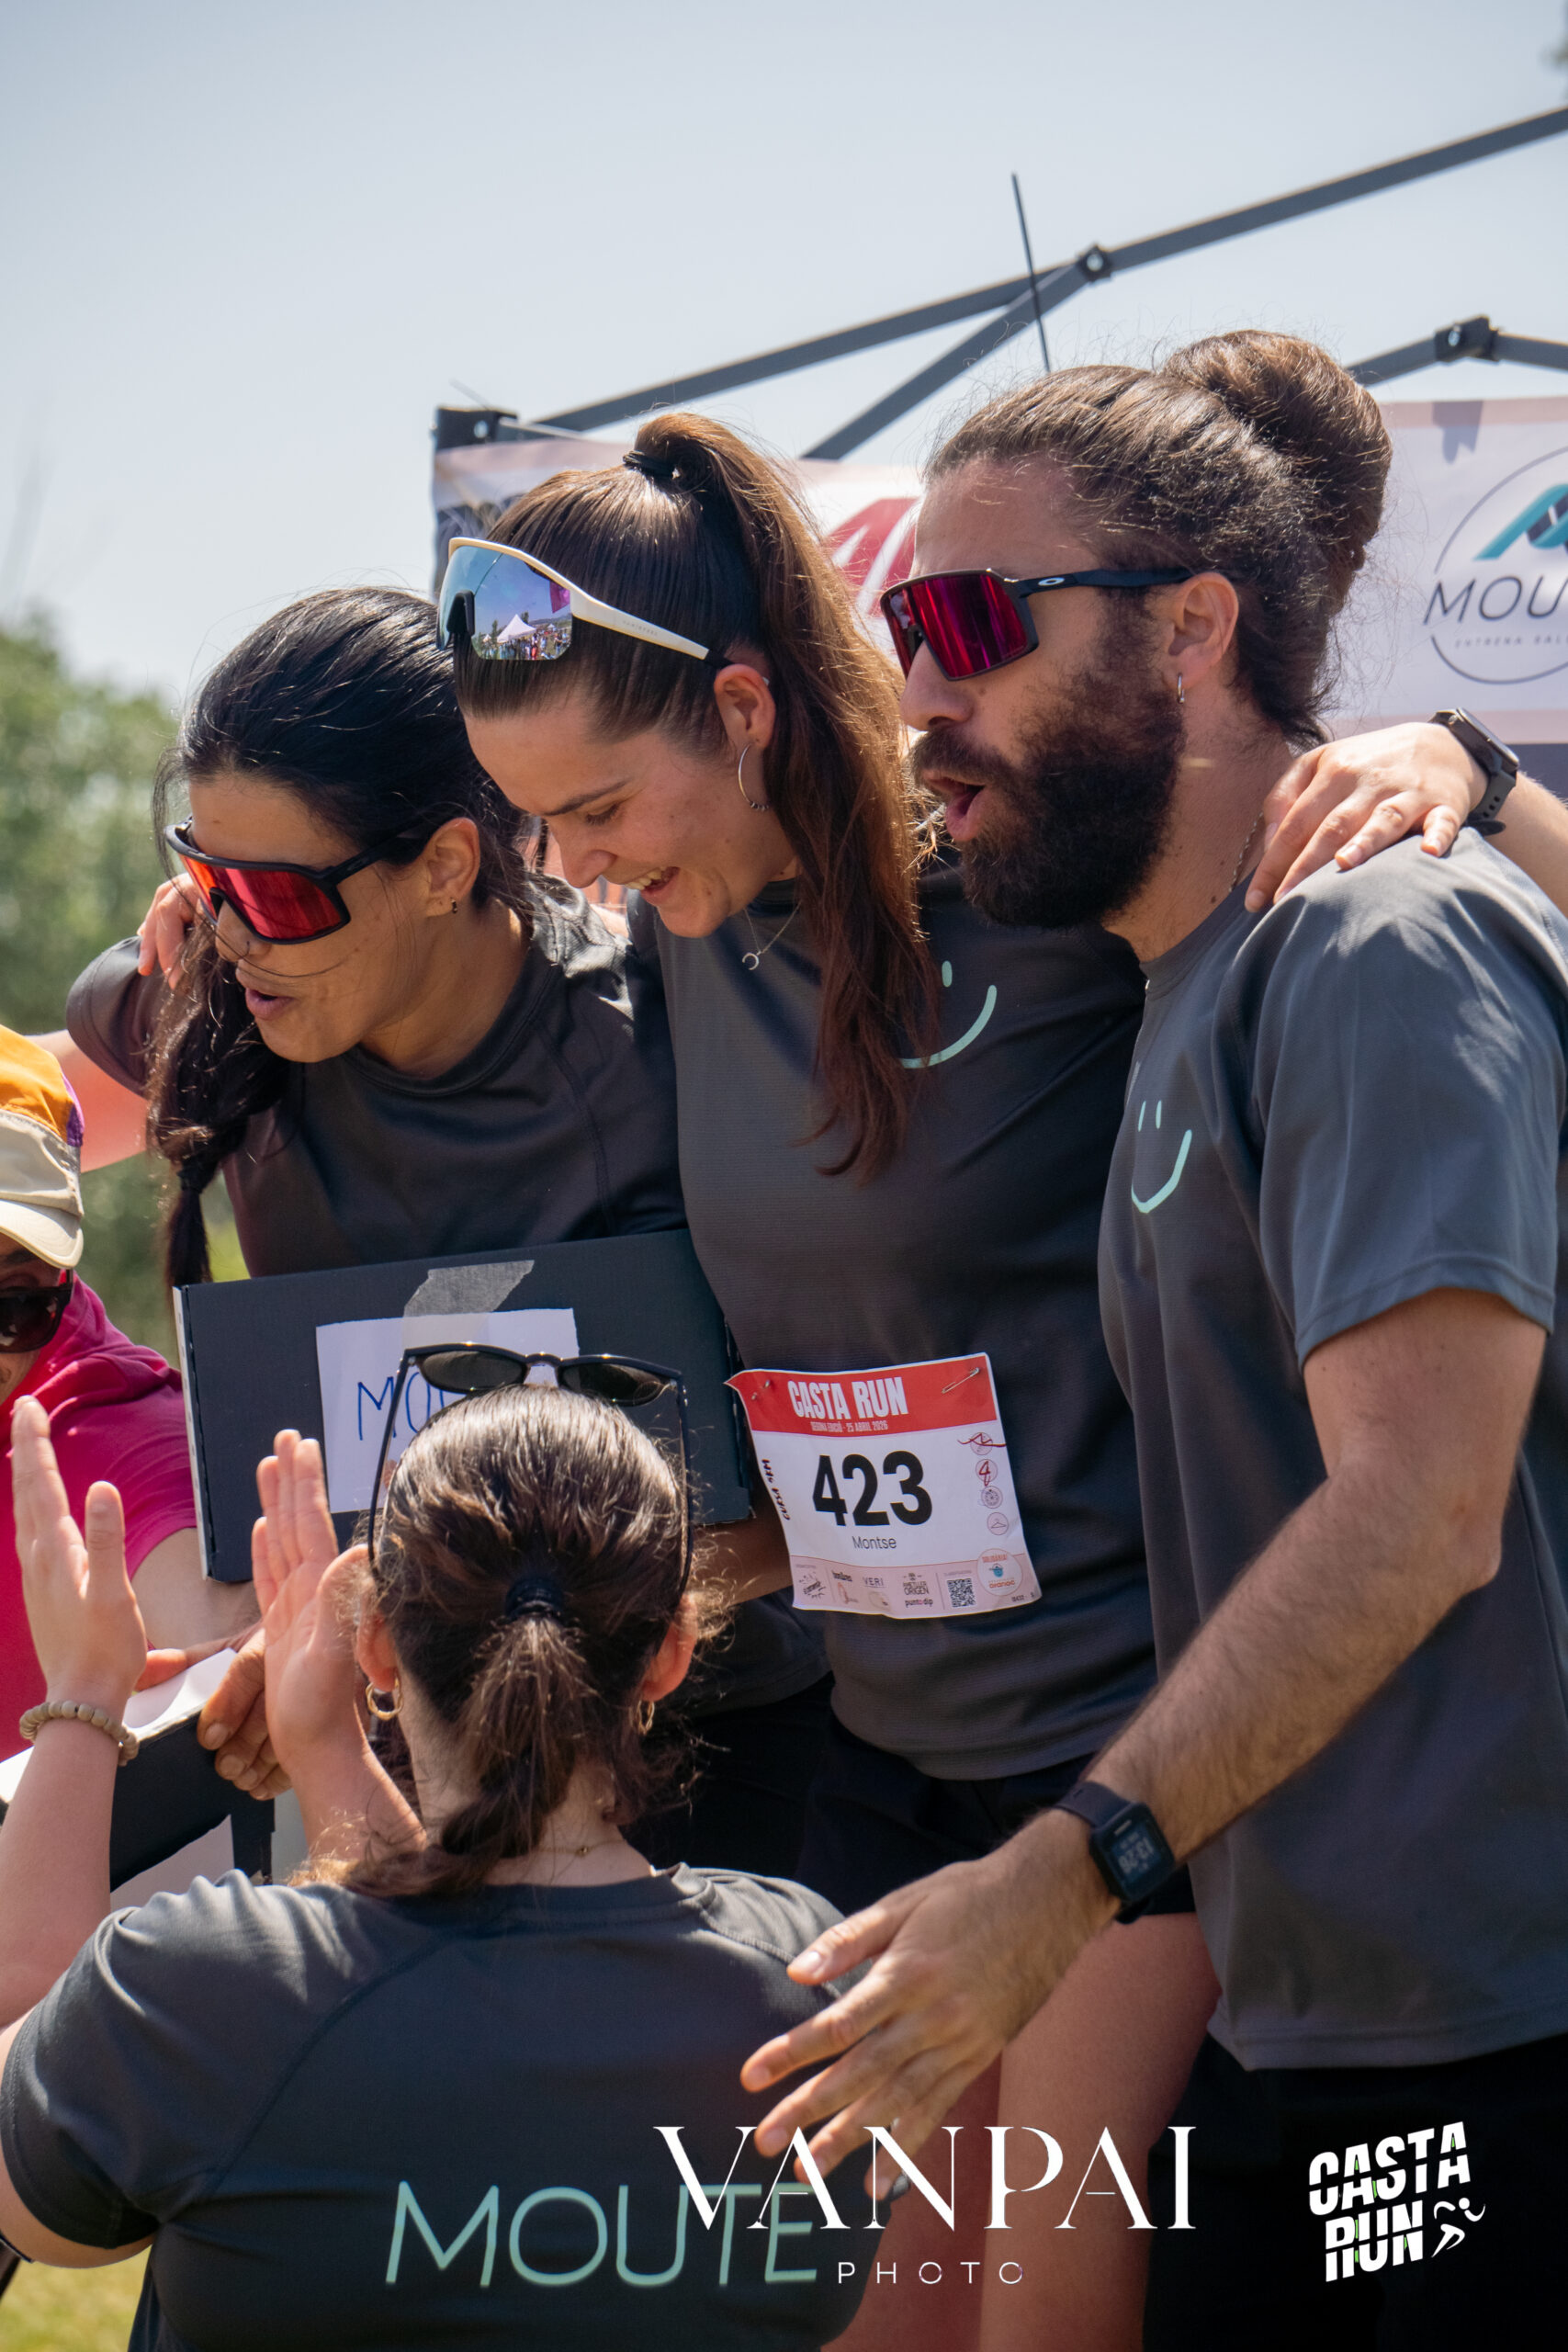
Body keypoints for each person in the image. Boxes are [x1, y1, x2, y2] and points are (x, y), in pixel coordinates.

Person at [436, 411, 1488, 2351]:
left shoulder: (1041, 891)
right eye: (531, 827)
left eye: (595, 808)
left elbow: (1411, 921)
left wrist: (1476, 770)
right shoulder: (673, 945)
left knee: (1041, 2320)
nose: (569, 866)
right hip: (886, 1756)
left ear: (740, 710)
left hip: (1132, 1765)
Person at [736, 334, 1568, 2347]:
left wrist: (1059, 1872)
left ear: (1192, 629)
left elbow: (1421, 1505)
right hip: (1321, 2016)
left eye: (968, 626)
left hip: (1501, 2036)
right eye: (902, 631)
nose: (920, 697)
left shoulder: (1368, 942)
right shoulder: (1179, 984)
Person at [52, 585, 828, 1859]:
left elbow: (804, 1505)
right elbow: (46, 1100)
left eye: (277, 896)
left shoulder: (665, 1051)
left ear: (447, 867)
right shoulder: (212, 999)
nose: (234, 936)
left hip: (701, 1757)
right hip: (400, 1757)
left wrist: (394, 1608)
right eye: (206, 875)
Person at [0, 1377, 870, 2347]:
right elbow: (474, 2013)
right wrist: (327, 1758)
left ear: (376, 1643)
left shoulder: (204, 1993)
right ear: (669, 1655)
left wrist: (83, 1695)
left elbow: (30, 2149)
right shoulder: (816, 1989)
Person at [0, 1028, 247, 1748]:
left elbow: (215, 1627)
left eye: (15, 1304)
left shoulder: (109, 1422)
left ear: (60, 1276)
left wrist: (248, 1651)